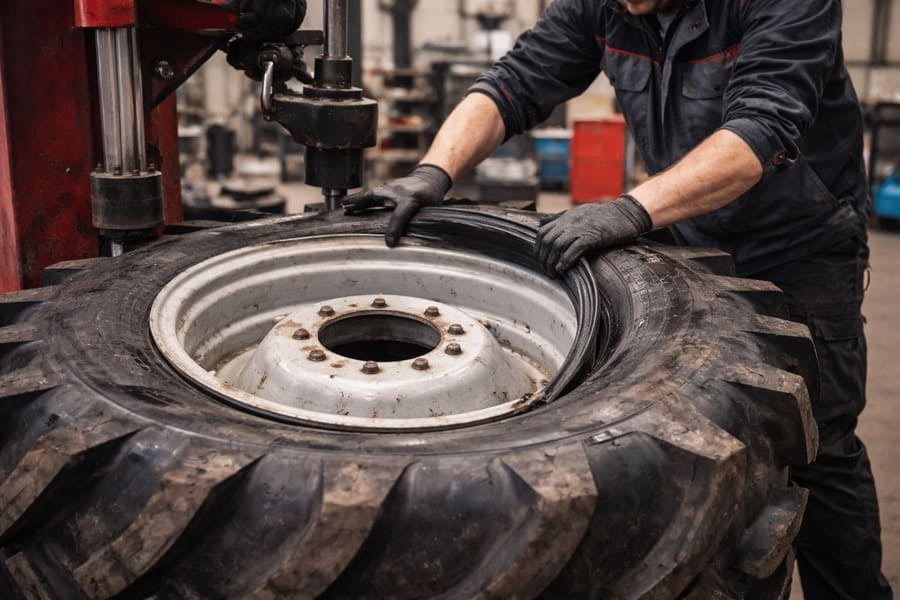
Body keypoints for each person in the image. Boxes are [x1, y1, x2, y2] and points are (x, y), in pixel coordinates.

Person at [343, 0, 893, 597]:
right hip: (691, 227)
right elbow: (513, 84)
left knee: (820, 443)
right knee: (707, 418)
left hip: (801, 245)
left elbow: (761, 132)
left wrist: (632, 210)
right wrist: (433, 173)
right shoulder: (603, 5)